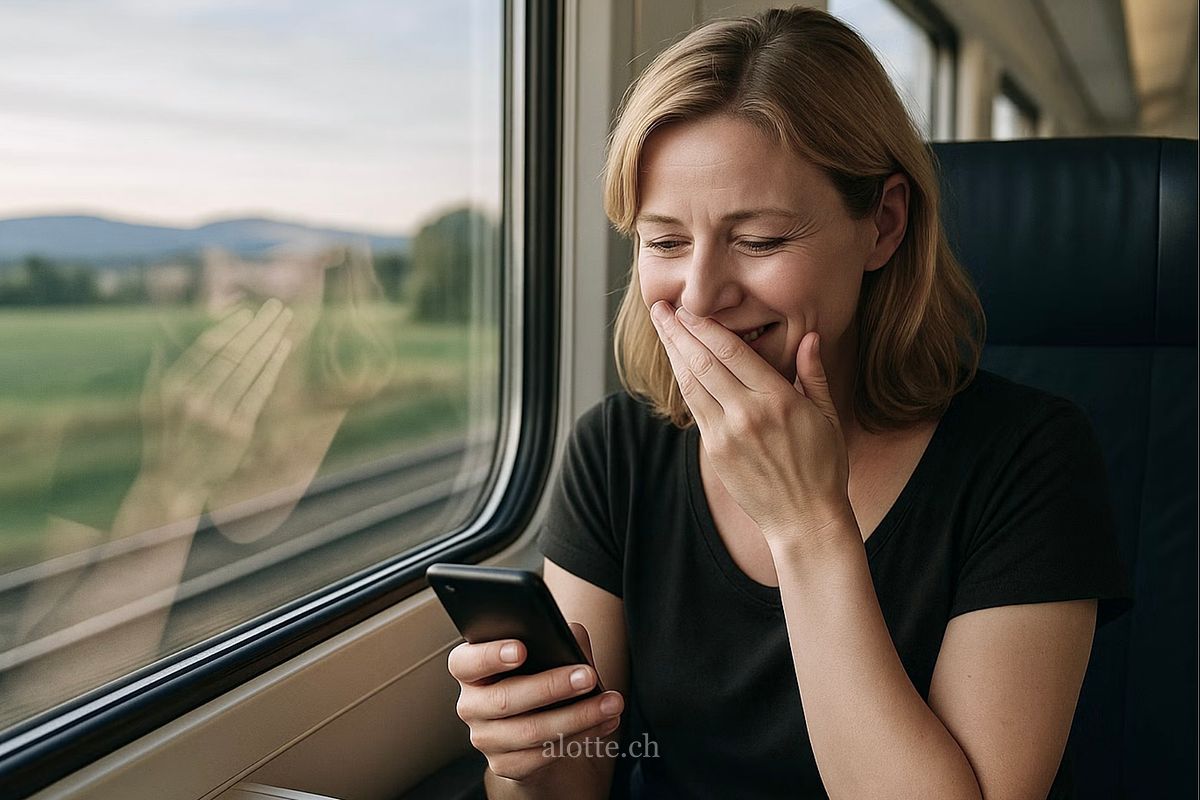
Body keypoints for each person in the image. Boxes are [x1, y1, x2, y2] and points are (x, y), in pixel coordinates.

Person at [447, 7, 1130, 799]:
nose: (700, 296)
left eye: (760, 240)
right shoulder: (616, 452)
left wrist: (808, 523)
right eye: (665, 242)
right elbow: (577, 785)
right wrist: (527, 757)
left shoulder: (1030, 458)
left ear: (883, 225)